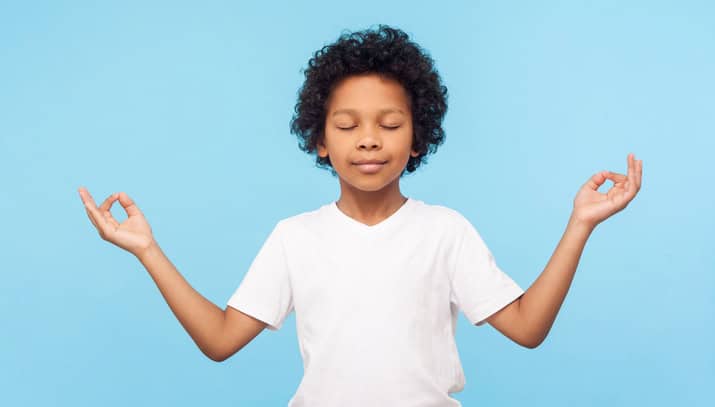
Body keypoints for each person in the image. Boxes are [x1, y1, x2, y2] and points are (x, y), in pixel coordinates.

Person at [78, 24, 643, 407]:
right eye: (347, 126)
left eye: (390, 125)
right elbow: (221, 340)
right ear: (320, 141)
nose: (369, 141)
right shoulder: (294, 237)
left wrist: (580, 225)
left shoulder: (445, 231)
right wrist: (147, 249)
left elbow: (527, 328)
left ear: (417, 137)